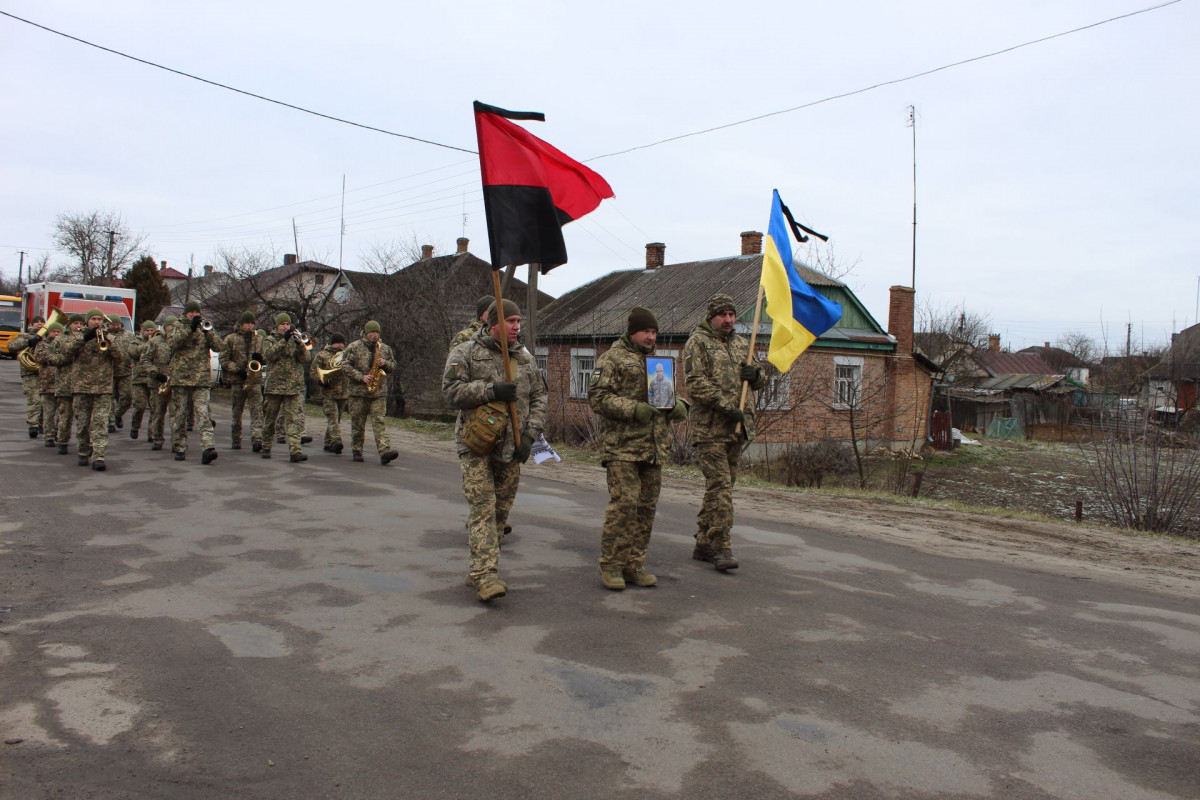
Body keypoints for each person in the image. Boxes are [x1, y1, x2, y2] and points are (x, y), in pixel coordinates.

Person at [442, 299, 547, 602]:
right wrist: (489, 390)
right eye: (510, 321)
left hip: (511, 447)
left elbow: (540, 398)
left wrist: (529, 436)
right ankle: (486, 576)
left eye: (518, 321)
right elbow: (450, 392)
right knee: (483, 508)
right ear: (492, 323)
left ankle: (479, 566)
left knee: (501, 512)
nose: (516, 327)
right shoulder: (466, 352)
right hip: (475, 444)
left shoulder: (525, 360)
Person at [589, 306, 688, 590]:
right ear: (632, 331)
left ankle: (634, 565)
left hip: (654, 447)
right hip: (622, 448)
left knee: (646, 509)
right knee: (624, 505)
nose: (651, 337)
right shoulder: (612, 359)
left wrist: (680, 406)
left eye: (654, 332)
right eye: (646, 331)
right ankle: (611, 566)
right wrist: (633, 409)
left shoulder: (659, 363)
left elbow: (668, 395)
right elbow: (597, 397)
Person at [684, 293, 766, 571]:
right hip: (710, 429)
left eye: (732, 315)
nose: (729, 320)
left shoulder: (743, 343)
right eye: (723, 315)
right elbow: (694, 383)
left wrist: (756, 376)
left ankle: (704, 542)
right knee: (720, 488)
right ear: (712, 316)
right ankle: (721, 546)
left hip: (737, 429)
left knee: (722, 488)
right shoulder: (698, 343)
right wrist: (725, 405)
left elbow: (760, 376)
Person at [59, 308, 123, 470]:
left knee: (100, 422)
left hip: (103, 387)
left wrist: (110, 344)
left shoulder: (109, 337)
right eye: (93, 319)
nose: (97, 322)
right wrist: (84, 339)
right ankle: (82, 451)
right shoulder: (75, 337)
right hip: (82, 387)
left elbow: (120, 358)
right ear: (88, 321)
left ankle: (99, 456)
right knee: (83, 422)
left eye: (99, 319)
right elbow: (66, 353)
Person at [166, 300, 221, 464]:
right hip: (181, 378)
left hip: (201, 379)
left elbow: (219, 346)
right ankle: (180, 446)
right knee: (180, 415)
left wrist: (208, 332)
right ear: (186, 313)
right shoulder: (177, 325)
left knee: (203, 414)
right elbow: (173, 343)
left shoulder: (204, 327)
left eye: (197, 313)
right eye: (192, 313)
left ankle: (208, 448)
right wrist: (189, 329)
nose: (195, 315)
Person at [342, 321, 399, 465]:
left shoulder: (385, 348)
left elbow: (393, 366)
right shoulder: (354, 347)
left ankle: (384, 451)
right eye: (372, 332)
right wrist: (361, 377)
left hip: (378, 392)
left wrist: (384, 363)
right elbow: (345, 365)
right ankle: (357, 450)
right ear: (366, 333)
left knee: (379, 421)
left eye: (377, 333)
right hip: (358, 392)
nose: (375, 335)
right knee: (358, 423)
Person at [260, 313, 312, 462]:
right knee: (270, 419)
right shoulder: (269, 340)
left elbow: (306, 359)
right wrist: (283, 340)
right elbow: (268, 355)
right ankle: (266, 446)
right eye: (282, 324)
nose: (285, 327)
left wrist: (300, 345)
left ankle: (295, 450)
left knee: (293, 420)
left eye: (287, 324)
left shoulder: (295, 341)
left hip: (292, 387)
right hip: (275, 386)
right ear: (277, 326)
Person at [220, 311, 265, 450]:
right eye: (247, 323)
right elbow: (223, 359)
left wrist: (260, 359)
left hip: (254, 380)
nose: (250, 326)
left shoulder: (259, 339)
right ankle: (235, 438)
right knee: (236, 412)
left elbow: (265, 356)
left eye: (252, 323)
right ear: (241, 324)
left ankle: (257, 439)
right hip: (238, 380)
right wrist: (236, 370)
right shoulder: (231, 339)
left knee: (257, 411)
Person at [48, 314, 84, 455]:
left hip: (82, 384)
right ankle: (62, 441)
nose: (78, 326)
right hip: (65, 383)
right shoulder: (60, 339)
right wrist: (66, 358)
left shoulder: (86, 338)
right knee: (65, 415)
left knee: (82, 417)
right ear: (70, 325)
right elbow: (50, 357)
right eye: (75, 323)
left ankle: (85, 444)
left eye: (81, 323)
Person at [140, 316, 176, 451]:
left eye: (175, 326)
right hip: (158, 383)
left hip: (175, 382)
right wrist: (155, 373)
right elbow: (145, 360)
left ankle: (176, 442)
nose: (172, 329)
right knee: (158, 412)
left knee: (176, 414)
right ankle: (157, 439)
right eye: (170, 326)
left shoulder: (180, 343)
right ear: (165, 327)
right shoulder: (155, 342)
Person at [311, 332, 349, 454]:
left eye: (342, 343)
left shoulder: (346, 355)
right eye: (338, 343)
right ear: (332, 343)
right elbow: (313, 371)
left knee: (336, 420)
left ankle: (328, 443)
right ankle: (336, 441)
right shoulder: (322, 355)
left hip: (343, 392)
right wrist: (321, 380)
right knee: (332, 417)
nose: (340, 345)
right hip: (329, 393)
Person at [9, 314, 46, 438]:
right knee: (34, 400)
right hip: (30, 374)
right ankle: (33, 425)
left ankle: (42, 424)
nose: (39, 324)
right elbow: (11, 346)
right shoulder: (25, 336)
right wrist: (29, 342)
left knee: (45, 402)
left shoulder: (49, 336)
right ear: (32, 324)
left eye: (42, 322)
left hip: (47, 374)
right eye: (37, 322)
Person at [33, 322, 63, 448]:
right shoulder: (42, 344)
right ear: (49, 332)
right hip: (47, 384)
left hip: (62, 384)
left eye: (58, 331)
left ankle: (59, 433)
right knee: (49, 413)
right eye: (54, 331)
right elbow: (39, 358)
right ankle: (49, 436)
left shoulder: (66, 344)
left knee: (63, 413)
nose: (56, 334)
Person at [127, 321, 157, 439]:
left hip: (153, 378)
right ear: (142, 331)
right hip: (139, 379)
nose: (150, 333)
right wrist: (148, 344)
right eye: (147, 330)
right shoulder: (136, 342)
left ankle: (152, 433)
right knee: (140, 406)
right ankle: (135, 426)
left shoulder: (158, 341)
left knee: (155, 408)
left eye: (152, 330)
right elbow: (132, 352)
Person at [107, 314, 133, 432]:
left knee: (127, 397)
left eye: (117, 324)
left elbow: (134, 350)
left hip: (125, 371)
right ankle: (110, 422)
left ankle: (118, 414)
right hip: (109, 372)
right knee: (109, 399)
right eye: (113, 324)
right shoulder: (105, 335)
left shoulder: (129, 336)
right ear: (108, 325)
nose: (115, 326)